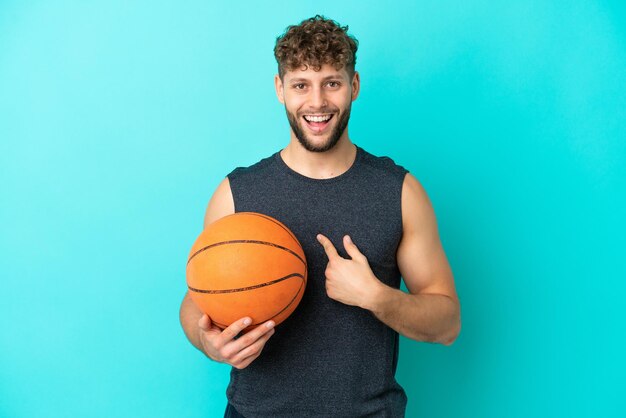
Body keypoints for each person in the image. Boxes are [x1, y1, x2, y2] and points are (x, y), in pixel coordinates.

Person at [179, 15, 461, 418]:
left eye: (332, 82)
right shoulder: (236, 193)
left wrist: (377, 297)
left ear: (354, 86)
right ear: (280, 89)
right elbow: (194, 302)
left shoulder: (399, 192)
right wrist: (208, 342)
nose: (317, 102)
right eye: (300, 85)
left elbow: (447, 323)